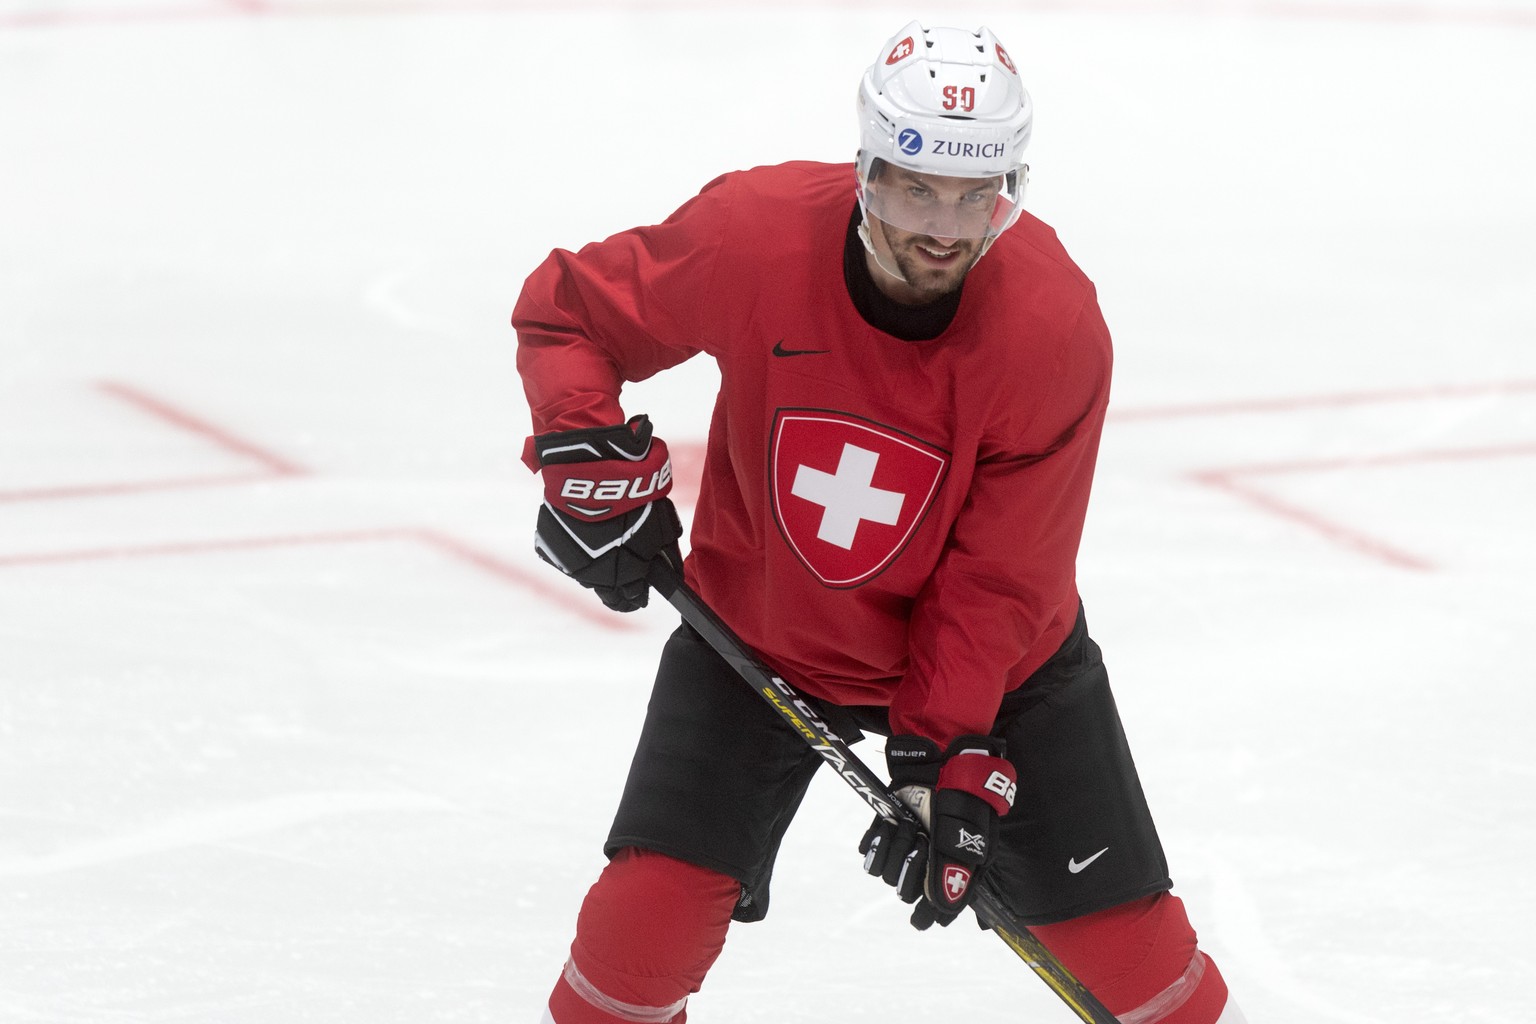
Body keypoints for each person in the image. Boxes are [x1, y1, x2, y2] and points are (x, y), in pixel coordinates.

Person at [514, 21, 1247, 1024]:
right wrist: (584, 454)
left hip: (1003, 668)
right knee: (634, 946)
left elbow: (996, 579)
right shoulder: (754, 236)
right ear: (866, 167)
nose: (945, 226)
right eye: (915, 187)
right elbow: (571, 316)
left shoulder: (1051, 327)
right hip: (762, 636)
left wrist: (940, 754)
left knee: (1141, 971)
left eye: (977, 192)